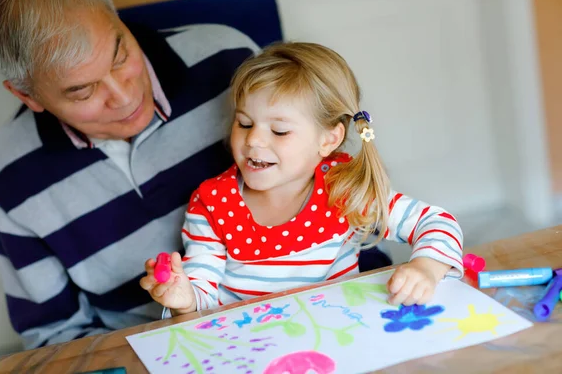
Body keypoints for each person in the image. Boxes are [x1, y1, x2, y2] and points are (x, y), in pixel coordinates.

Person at [0, 0, 260, 349]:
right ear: (27, 95)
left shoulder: (228, 62)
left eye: (120, 56)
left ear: (118, 19)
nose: (124, 96)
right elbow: (57, 336)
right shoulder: (11, 178)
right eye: (82, 90)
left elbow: (341, 201)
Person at [140, 42, 464, 317]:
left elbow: (435, 221)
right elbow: (202, 290)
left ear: (329, 139)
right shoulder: (212, 203)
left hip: (338, 338)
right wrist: (184, 298)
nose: (254, 140)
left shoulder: (343, 188)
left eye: (279, 130)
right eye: (244, 123)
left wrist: (426, 267)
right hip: (249, 348)